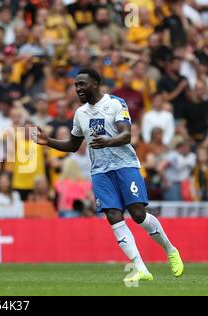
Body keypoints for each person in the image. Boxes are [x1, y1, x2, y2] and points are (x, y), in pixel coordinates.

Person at [35, 68, 184, 283]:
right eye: (76, 85)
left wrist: (107, 141)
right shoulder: (80, 114)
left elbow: (126, 134)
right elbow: (73, 145)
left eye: (81, 84)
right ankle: (140, 268)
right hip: (100, 172)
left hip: (125, 166)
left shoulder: (115, 103)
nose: (78, 89)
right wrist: (48, 141)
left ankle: (170, 250)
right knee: (114, 217)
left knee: (138, 215)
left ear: (95, 84)